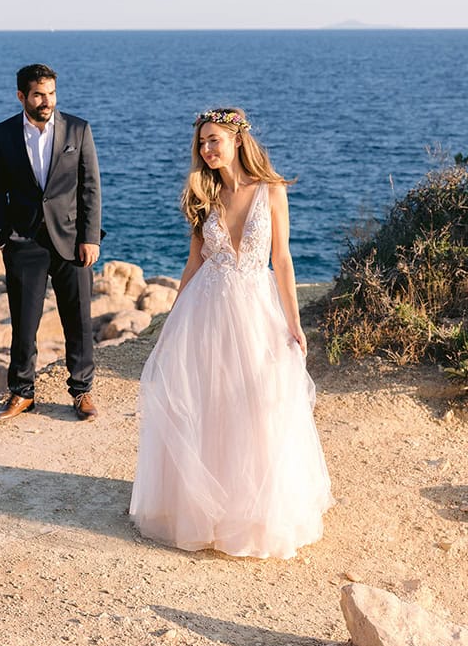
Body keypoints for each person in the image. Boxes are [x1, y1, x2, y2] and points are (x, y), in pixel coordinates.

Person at [130, 108, 333, 558]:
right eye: (202, 143)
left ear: (237, 140)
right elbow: (195, 260)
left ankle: (255, 513)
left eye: (213, 140)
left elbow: (282, 260)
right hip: (207, 308)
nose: (206, 149)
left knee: (260, 403)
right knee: (209, 401)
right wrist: (172, 315)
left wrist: (294, 323)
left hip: (256, 308)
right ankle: (204, 511)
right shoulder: (204, 194)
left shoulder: (272, 190)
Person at [0, 63, 102, 422]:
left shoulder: (78, 129)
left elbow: (90, 187)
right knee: (24, 324)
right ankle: (22, 394)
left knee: (78, 320)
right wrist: (4, 237)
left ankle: (82, 391)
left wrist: (90, 237)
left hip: (71, 241)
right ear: (21, 96)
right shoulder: (3, 133)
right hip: (24, 242)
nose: (46, 101)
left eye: (51, 93)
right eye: (38, 94)